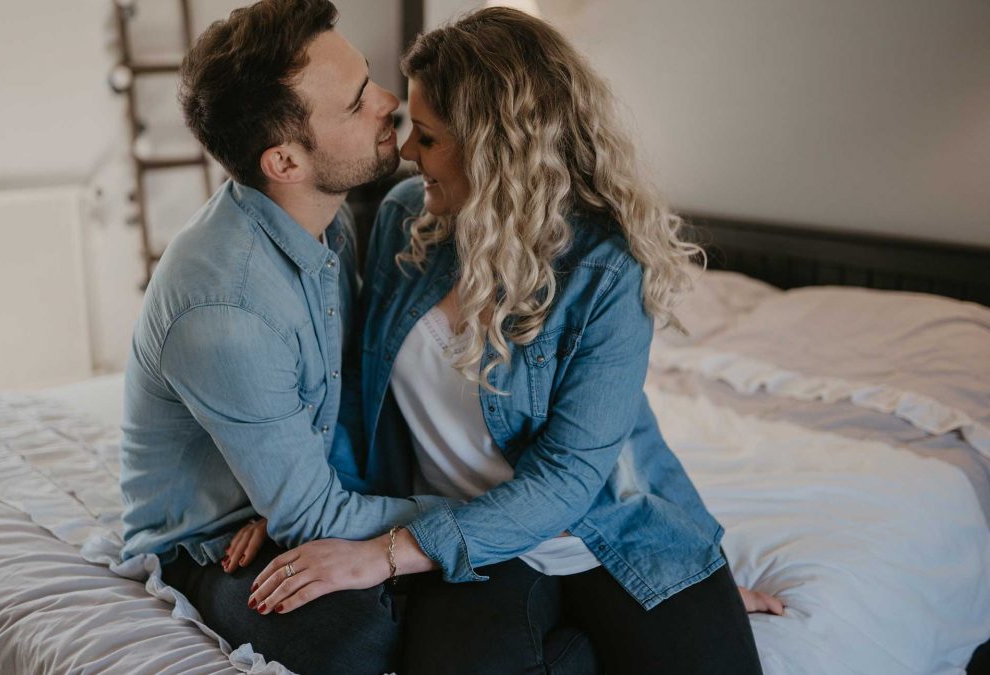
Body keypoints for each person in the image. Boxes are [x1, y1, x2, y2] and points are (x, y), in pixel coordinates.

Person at [244, 7, 778, 674]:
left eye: (430, 138)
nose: (407, 152)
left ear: (496, 153)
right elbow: (359, 394)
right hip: (464, 542)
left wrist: (380, 554)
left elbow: (569, 478)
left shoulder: (607, 269)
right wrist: (312, 507)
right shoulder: (405, 219)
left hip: (606, 532)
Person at [116, 1, 445, 673]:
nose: (390, 103)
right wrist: (485, 509)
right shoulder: (226, 308)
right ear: (286, 161)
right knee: (357, 635)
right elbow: (316, 518)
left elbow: (340, 397)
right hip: (210, 546)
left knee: (485, 585)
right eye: (357, 103)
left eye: (368, 79)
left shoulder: (327, 221)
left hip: (281, 502)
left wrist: (296, 501)